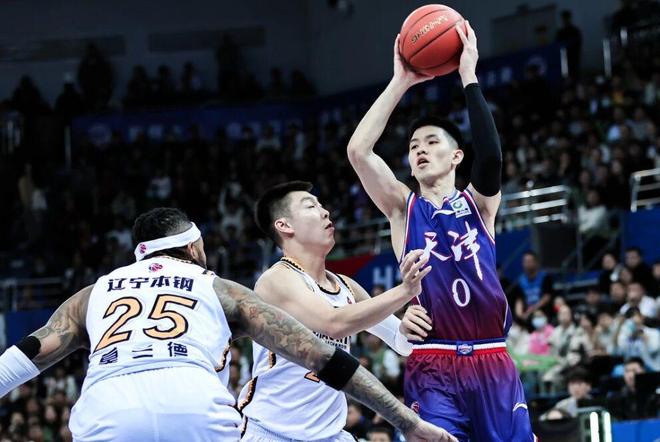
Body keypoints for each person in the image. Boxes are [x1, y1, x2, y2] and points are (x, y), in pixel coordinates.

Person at [0, 208, 455, 442]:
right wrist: (406, 421)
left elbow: (25, 357)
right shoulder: (220, 289)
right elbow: (324, 356)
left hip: (108, 411)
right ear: (193, 247)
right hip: (195, 408)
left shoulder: (92, 294)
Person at [346, 21, 534, 441]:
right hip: (433, 363)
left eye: (431, 142)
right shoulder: (403, 208)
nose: (420, 150)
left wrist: (468, 76)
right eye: (413, 147)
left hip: (491, 359)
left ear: (456, 157)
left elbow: (491, 157)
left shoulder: (479, 205)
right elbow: (358, 151)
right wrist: (400, 81)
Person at [239, 181, 440, 441]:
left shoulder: (346, 287)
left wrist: (408, 326)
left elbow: (401, 344)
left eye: (322, 205)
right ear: (284, 225)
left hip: (330, 434)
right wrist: (404, 291)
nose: (325, 212)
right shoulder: (276, 279)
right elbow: (333, 323)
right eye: (310, 206)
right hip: (272, 431)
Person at [516, 251, 555, 322]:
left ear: (536, 262)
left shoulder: (545, 277)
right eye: (525, 261)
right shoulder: (520, 280)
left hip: (543, 310)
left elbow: (547, 297)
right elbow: (519, 300)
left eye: (529, 261)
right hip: (527, 312)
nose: (527, 264)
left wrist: (532, 310)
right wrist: (520, 315)